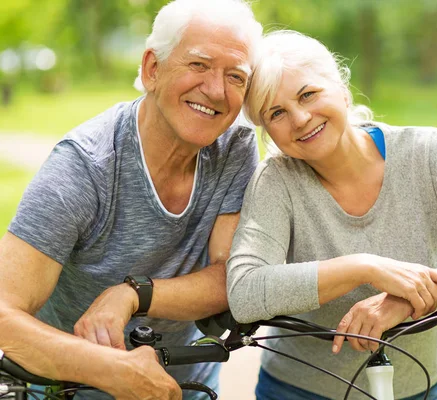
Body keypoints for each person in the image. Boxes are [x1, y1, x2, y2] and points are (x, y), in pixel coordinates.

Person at [226, 30, 437, 400]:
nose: (299, 119)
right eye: (276, 113)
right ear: (268, 131)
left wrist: (406, 298)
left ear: (342, 90)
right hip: (298, 391)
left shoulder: (428, 153)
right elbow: (245, 292)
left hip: (419, 388)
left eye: (308, 94)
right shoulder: (276, 181)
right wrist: (363, 267)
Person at [0, 1, 262, 399]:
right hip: (70, 388)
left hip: (188, 387)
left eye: (236, 76)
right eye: (198, 65)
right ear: (152, 69)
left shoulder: (235, 146)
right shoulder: (84, 167)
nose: (216, 90)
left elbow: (231, 277)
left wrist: (133, 293)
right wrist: (114, 371)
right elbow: (4, 315)